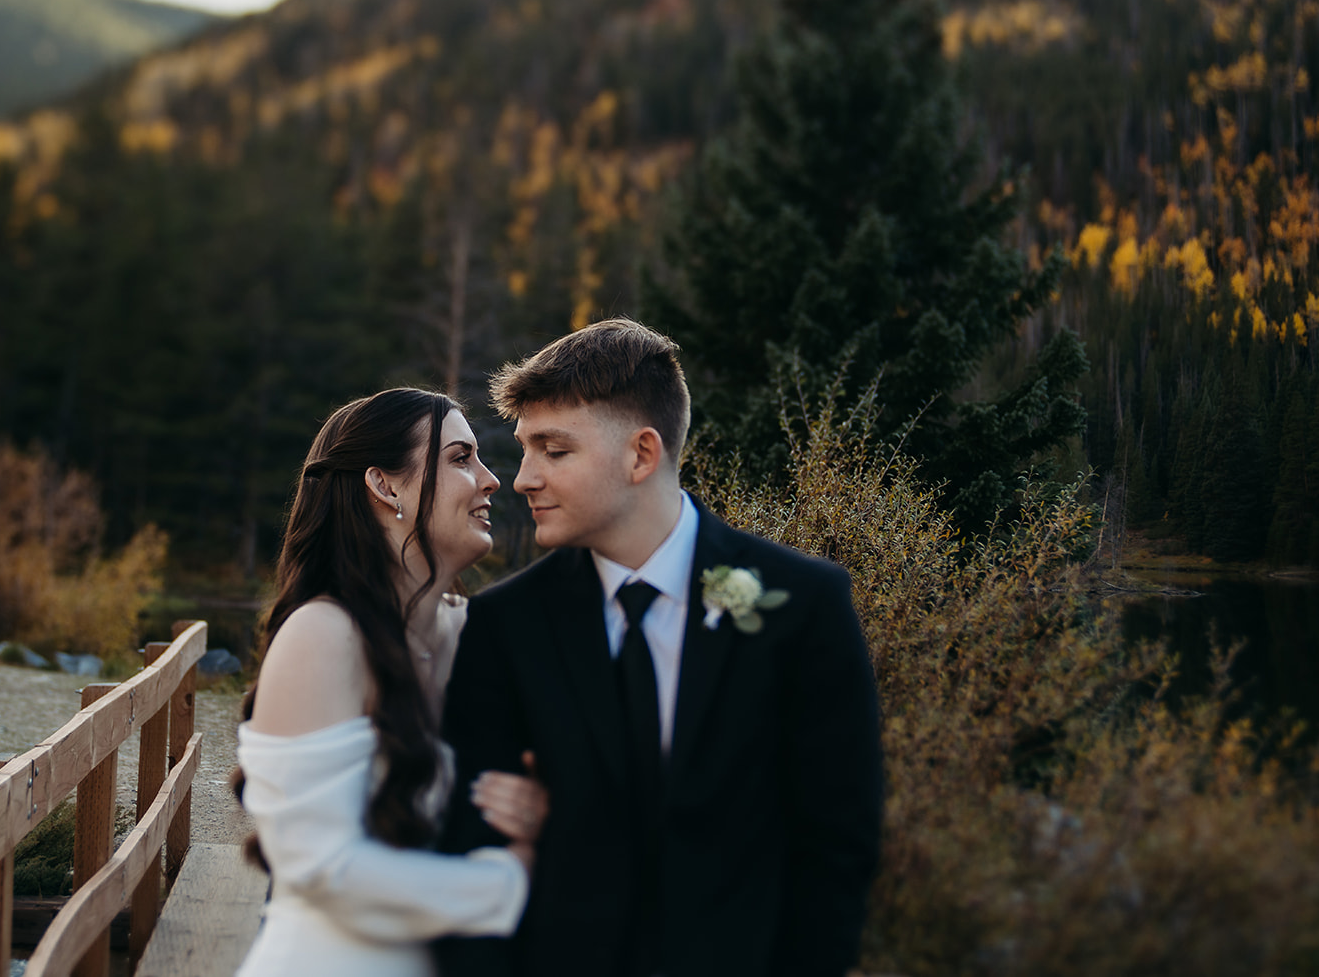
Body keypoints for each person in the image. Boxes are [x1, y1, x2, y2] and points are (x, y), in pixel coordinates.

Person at [433, 319, 883, 977]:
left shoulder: (803, 605)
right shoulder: (505, 626)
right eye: (526, 448)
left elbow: (837, 846)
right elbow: (468, 850)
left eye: (554, 450)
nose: (523, 477)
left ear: (641, 454)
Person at [234, 388, 549, 977]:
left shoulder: (473, 639)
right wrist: (512, 879)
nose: (491, 481)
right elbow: (323, 868)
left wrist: (540, 815)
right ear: (384, 485)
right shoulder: (322, 635)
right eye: (461, 458)